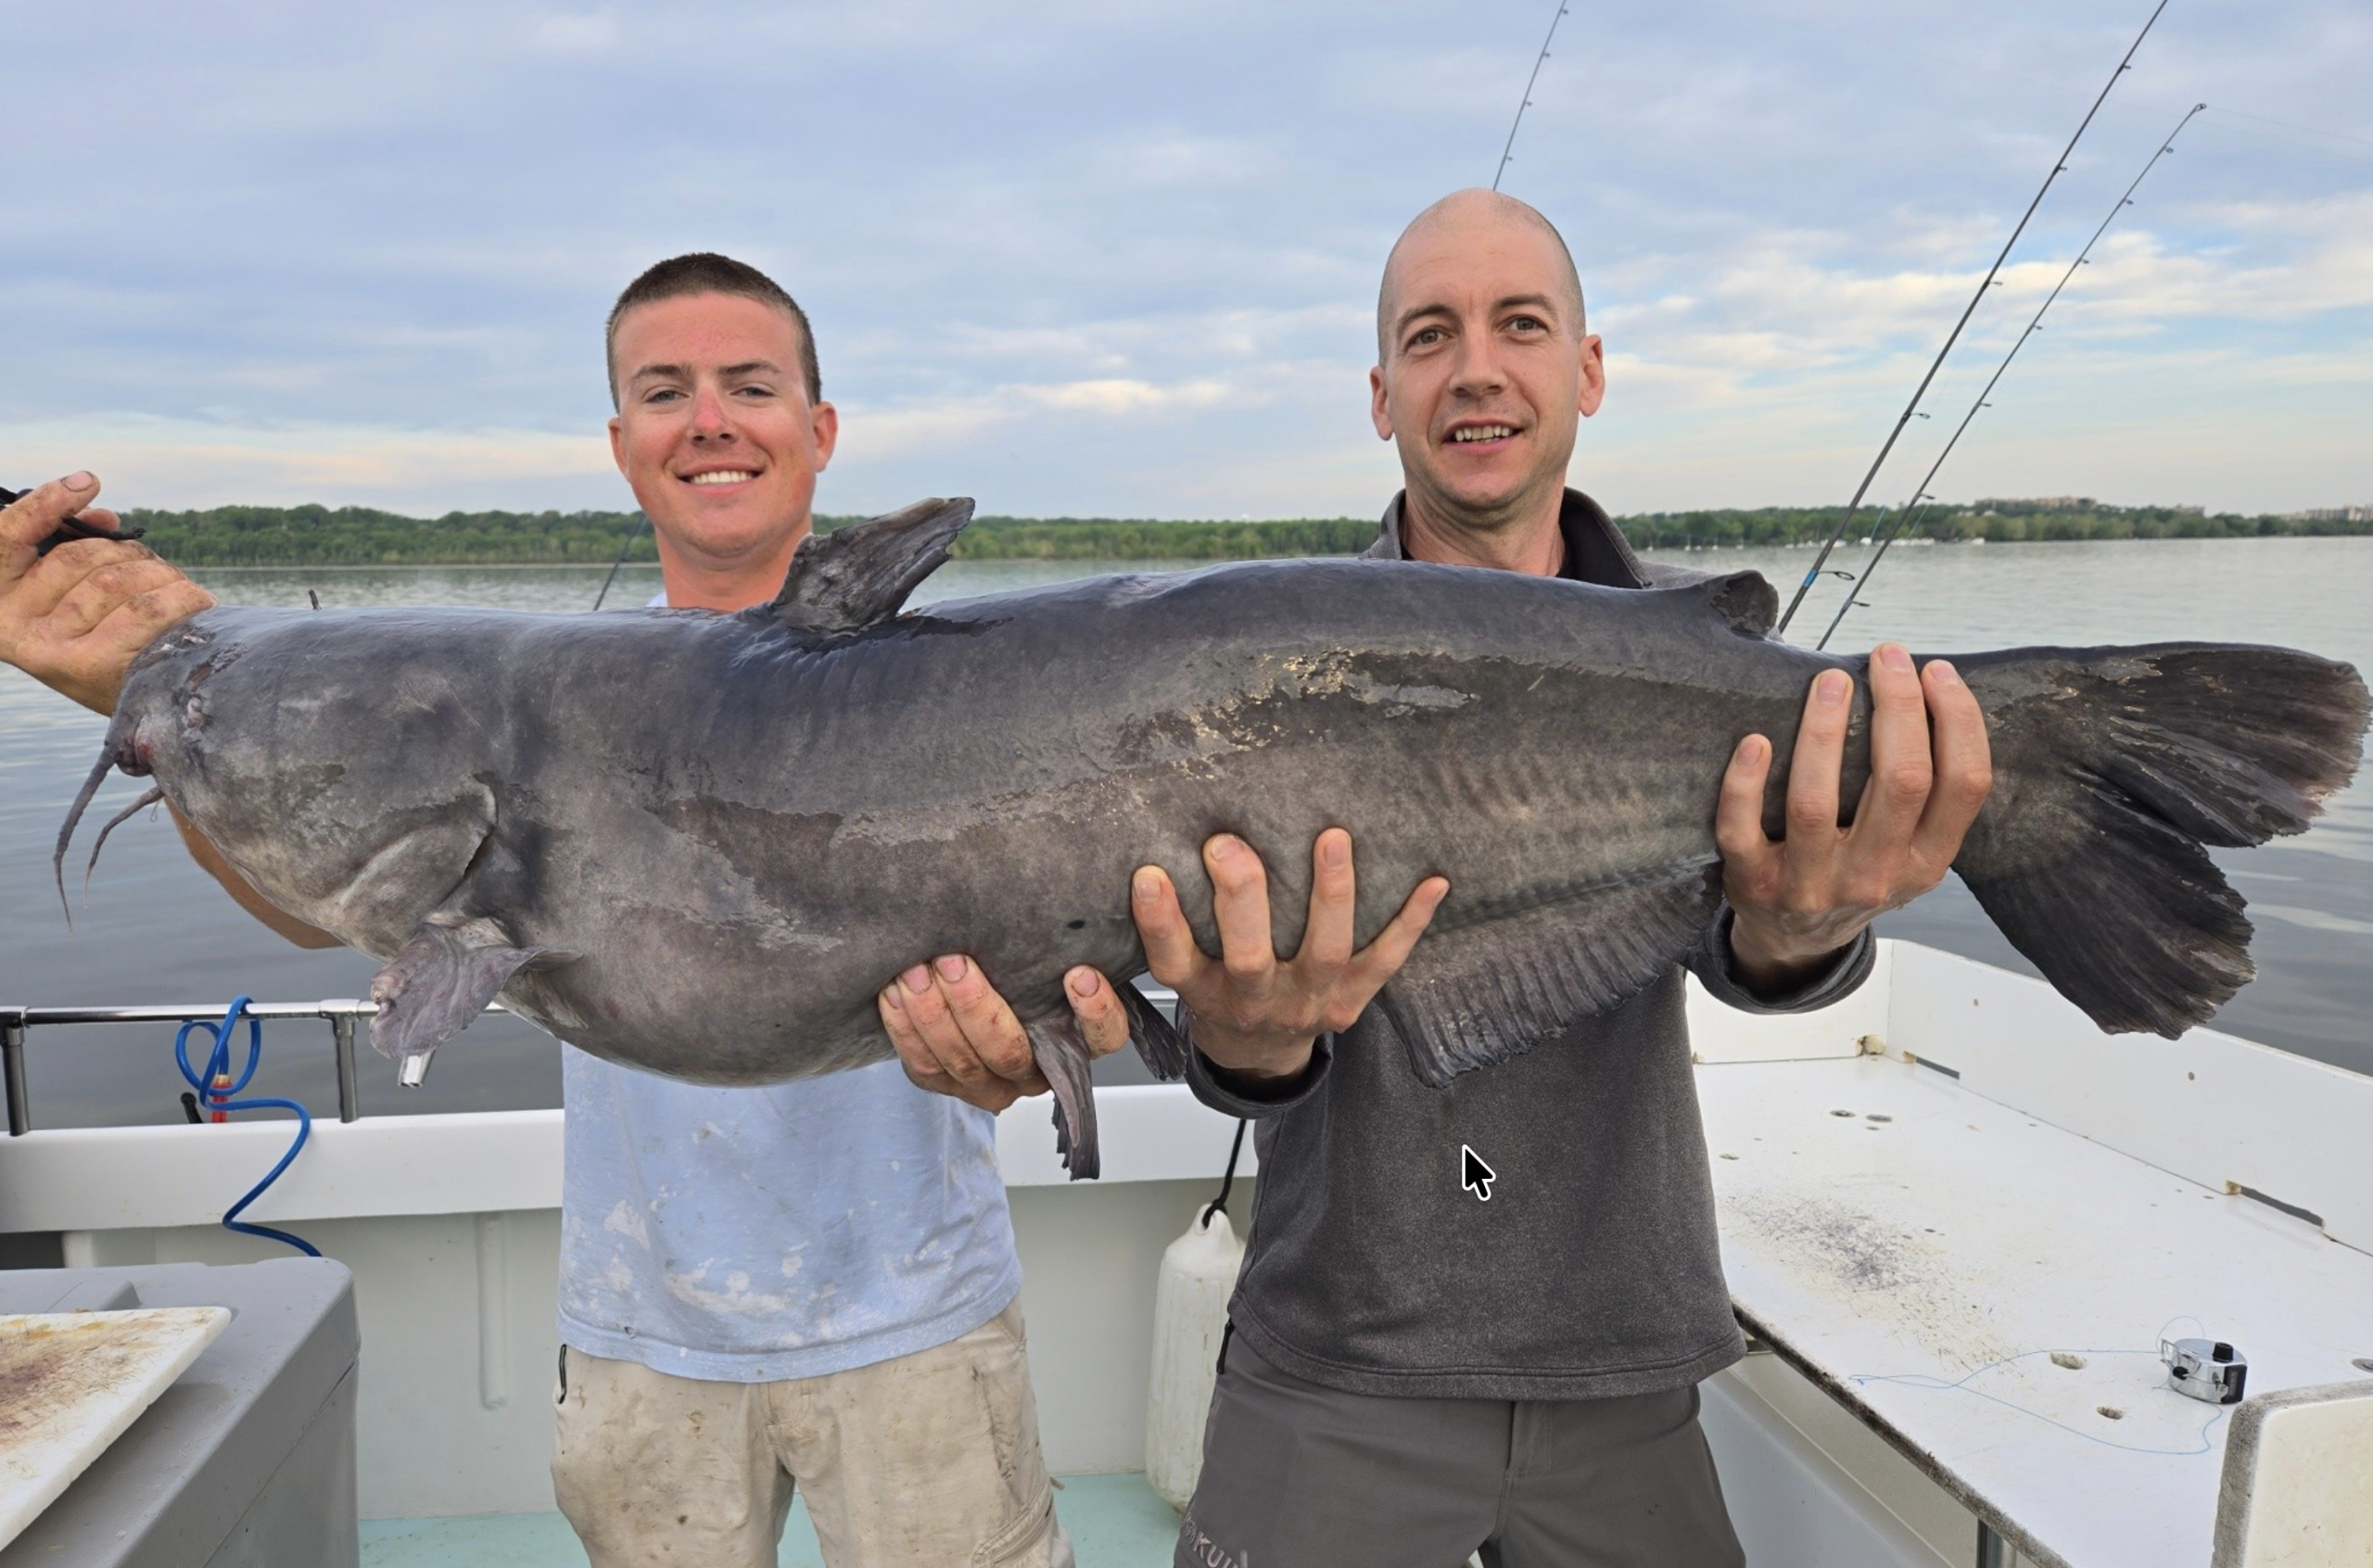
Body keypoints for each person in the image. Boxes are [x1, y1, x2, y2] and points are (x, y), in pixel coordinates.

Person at [884, 189, 1994, 1568]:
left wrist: (1807, 921)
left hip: (1624, 1352)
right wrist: (1252, 1035)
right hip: (1334, 1353)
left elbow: (1758, 958)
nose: (1476, 365)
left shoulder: (1710, 672)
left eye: (1520, 324)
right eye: (1430, 334)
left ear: (1586, 369)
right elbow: (1232, 1061)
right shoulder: (1238, 674)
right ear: (1381, 392)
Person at [0, 252, 1118, 1568]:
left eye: (749, 385)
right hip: (640, 1337)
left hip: (923, 1316)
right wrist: (187, 736)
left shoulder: (965, 689)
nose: (707, 418)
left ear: (819, 431)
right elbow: (326, 909)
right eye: (664, 389)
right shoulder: (515, 692)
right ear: (620, 440)